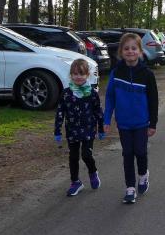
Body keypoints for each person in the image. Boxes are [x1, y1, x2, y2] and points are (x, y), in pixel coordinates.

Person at [103, 32, 159, 204]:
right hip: (124, 123)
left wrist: (153, 123)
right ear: (121, 51)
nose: (130, 51)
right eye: (126, 48)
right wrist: (106, 119)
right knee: (127, 154)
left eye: (134, 48)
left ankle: (143, 175)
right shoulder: (116, 72)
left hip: (142, 122)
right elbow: (110, 97)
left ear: (140, 51)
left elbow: (154, 100)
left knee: (140, 152)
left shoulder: (147, 74)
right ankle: (130, 188)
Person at [54, 58, 104, 197]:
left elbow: (98, 111)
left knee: (86, 155)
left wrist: (101, 128)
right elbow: (60, 112)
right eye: (75, 74)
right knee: (73, 157)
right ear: (71, 75)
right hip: (72, 131)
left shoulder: (92, 93)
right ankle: (75, 182)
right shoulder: (66, 93)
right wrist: (57, 130)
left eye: (81, 74)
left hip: (88, 129)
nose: (78, 77)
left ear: (87, 75)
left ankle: (93, 172)